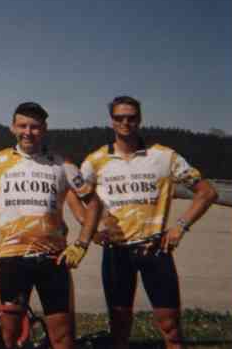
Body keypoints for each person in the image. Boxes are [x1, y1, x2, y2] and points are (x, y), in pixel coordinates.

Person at [80, 96, 217, 349]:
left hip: (155, 249)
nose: (126, 122)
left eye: (131, 117)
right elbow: (73, 193)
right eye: (120, 118)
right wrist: (91, 231)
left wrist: (180, 226)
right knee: (119, 329)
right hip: (116, 252)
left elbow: (207, 192)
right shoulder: (95, 160)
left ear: (139, 119)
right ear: (111, 121)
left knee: (171, 329)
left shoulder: (164, 156)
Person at [0, 102, 101, 349]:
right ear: (12, 127)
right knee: (9, 335)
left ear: (44, 129)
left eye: (35, 127)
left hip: (53, 259)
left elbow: (93, 203)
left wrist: (82, 244)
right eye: (22, 125)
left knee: (62, 337)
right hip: (11, 259)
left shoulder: (61, 163)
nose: (28, 132)